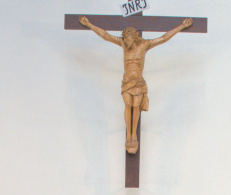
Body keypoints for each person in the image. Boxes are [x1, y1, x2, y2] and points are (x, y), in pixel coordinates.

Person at [78, 15, 193, 154]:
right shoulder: (123, 45)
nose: (126, 41)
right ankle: (129, 135)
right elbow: (106, 36)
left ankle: (134, 135)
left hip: (138, 83)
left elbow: (163, 38)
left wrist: (181, 26)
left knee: (136, 106)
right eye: (125, 39)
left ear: (134, 37)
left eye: (128, 39)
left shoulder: (144, 45)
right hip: (127, 82)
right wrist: (89, 24)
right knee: (128, 104)